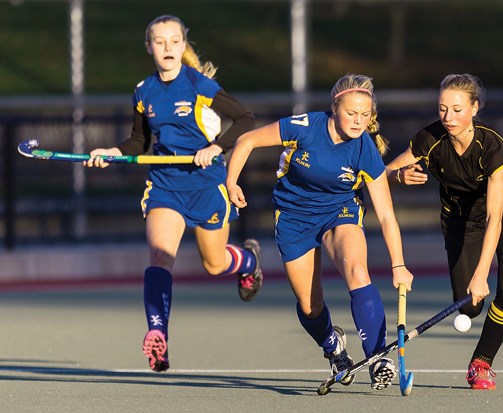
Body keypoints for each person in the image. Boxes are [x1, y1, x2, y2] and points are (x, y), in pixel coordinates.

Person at [84, 15, 263, 373]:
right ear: (148, 47)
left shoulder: (199, 85)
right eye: (160, 42)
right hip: (165, 185)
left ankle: (248, 262)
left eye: (174, 41)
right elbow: (139, 141)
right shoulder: (143, 91)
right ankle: (157, 335)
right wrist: (112, 153)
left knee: (214, 264)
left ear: (183, 45)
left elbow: (245, 119)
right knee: (160, 256)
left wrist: (216, 147)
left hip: (206, 185)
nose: (167, 48)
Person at [226, 74, 414, 391]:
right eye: (351, 113)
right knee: (310, 306)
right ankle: (332, 345)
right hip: (293, 217)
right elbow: (247, 141)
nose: (358, 121)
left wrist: (398, 264)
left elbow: (385, 213)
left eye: (365, 115)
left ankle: (378, 356)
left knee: (357, 270)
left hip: (340, 211)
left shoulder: (364, 148)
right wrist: (231, 182)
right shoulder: (306, 127)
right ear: (334, 108)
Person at [386, 73, 503, 390]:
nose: (448, 118)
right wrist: (399, 177)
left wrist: (482, 273)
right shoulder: (430, 139)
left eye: (456, 109)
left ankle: (481, 362)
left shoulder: (491, 146)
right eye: (442, 109)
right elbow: (382, 175)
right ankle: (474, 305)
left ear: (474, 108)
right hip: (459, 220)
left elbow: (494, 217)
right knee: (469, 305)